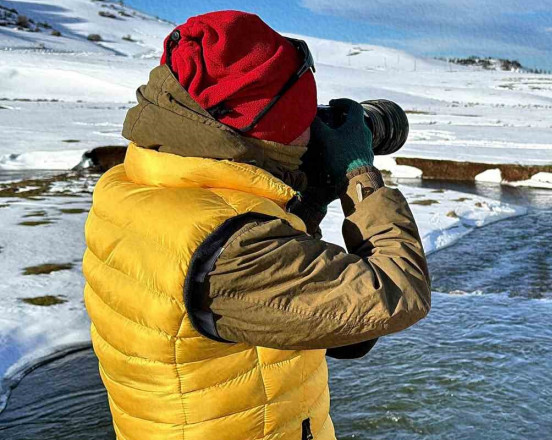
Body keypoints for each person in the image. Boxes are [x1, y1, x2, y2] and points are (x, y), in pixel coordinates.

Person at [82, 11, 431, 440]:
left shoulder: (138, 184)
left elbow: (342, 330)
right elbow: (396, 295)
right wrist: (358, 173)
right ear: (268, 130)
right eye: (303, 119)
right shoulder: (229, 247)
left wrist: (305, 198)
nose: (312, 131)